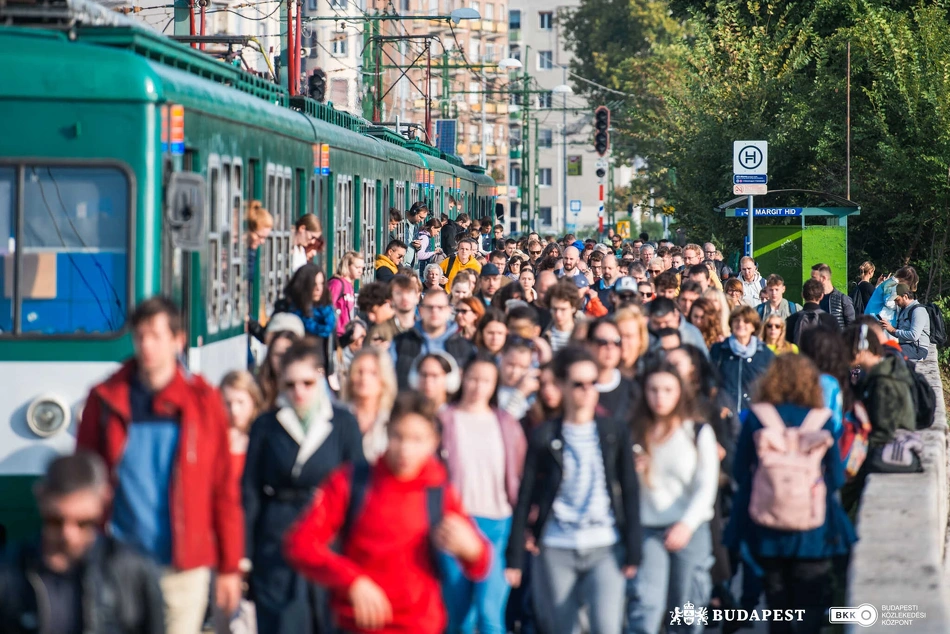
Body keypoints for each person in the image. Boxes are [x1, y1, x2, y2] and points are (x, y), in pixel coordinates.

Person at [76, 297, 243, 633]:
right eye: (140, 336)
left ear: (177, 340)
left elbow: (223, 488)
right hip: (121, 561)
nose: (146, 345)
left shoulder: (203, 401)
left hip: (184, 564)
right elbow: (85, 477)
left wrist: (229, 567)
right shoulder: (106, 398)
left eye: (155, 335)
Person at [284, 391, 491, 634]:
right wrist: (351, 580)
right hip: (358, 624)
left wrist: (473, 550)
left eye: (417, 440)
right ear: (386, 432)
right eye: (398, 436)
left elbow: (481, 564)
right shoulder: (351, 482)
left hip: (419, 625)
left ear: (433, 442)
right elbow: (299, 544)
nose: (405, 449)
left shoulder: (439, 492)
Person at [505, 347, 640, 634]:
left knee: (607, 626)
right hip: (557, 544)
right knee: (563, 628)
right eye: (579, 384)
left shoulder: (614, 431)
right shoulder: (545, 435)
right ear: (563, 387)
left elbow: (629, 489)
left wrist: (634, 549)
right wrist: (515, 556)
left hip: (605, 543)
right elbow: (526, 494)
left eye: (593, 384)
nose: (587, 391)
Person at [725, 355, 856, 634]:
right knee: (809, 603)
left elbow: (740, 471)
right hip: (813, 532)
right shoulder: (821, 421)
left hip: (768, 529)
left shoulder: (759, 418)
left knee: (778, 604)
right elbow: (834, 477)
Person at [242, 341, 365, 634]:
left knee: (329, 620)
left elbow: (358, 489)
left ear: (321, 377)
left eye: (308, 383)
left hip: (328, 537)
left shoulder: (343, 423)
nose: (299, 391)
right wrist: (244, 555)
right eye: (291, 384)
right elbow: (249, 493)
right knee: (282, 621)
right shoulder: (266, 425)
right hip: (277, 537)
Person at [0, 452, 165, 634]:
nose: (68, 535)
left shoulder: (132, 572)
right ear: (40, 498)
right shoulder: (10, 571)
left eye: (84, 523)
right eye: (55, 521)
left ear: (103, 501)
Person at [626, 362, 719, 634]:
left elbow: (706, 486)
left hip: (689, 530)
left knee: (686, 613)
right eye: (653, 390)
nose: (660, 397)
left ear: (680, 392)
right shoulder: (634, 432)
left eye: (668, 390)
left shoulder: (697, 432)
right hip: (648, 530)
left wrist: (686, 525)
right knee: (646, 607)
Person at [439, 354, 527, 634]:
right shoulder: (445, 420)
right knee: (459, 617)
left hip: (498, 524)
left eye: (487, 381)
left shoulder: (506, 423)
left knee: (490, 614)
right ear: (463, 378)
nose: (479, 386)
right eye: (474, 378)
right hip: (456, 523)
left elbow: (520, 475)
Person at [218, 371, 264, 633]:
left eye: (240, 402)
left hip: (250, 536)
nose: (233, 410)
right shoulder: (215, 444)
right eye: (227, 403)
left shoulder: (259, 442)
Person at [392, 289, 476, 389]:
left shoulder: (466, 348)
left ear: (448, 311)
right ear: (421, 311)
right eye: (430, 307)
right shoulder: (400, 342)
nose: (434, 311)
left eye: (440, 307)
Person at [710, 305, 775, 413]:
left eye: (746, 321)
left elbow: (772, 385)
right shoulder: (719, 350)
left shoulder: (765, 354)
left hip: (755, 414)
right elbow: (710, 380)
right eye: (737, 320)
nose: (740, 324)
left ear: (753, 327)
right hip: (726, 413)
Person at [341, 348, 398, 463]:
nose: (364, 378)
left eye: (373, 373)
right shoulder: (338, 417)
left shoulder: (393, 420)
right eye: (359, 372)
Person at [586, 316, 641, 422]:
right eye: (602, 342)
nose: (610, 348)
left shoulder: (632, 390)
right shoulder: (576, 386)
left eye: (616, 342)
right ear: (588, 345)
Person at [278, 264, 337, 343]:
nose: (318, 288)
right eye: (314, 284)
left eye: (321, 283)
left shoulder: (327, 312)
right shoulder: (287, 309)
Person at [880, 283, 931, 360]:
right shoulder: (904, 310)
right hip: (906, 346)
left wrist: (893, 330)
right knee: (880, 349)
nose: (896, 303)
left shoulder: (918, 311)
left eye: (897, 300)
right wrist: (887, 326)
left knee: (888, 354)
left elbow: (914, 335)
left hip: (918, 349)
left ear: (905, 297)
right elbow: (897, 332)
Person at [497, 337, 541, 421]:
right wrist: (520, 393)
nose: (515, 372)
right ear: (501, 358)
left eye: (523, 367)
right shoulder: (491, 389)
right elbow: (504, 423)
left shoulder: (533, 394)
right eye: (511, 364)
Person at [785, 279, 839, 346]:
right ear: (821, 296)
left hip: (799, 356)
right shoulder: (830, 320)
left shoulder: (792, 320)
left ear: (802, 295)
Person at [259, 330, 302, 410]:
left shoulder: (306, 385)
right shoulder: (258, 386)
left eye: (287, 354)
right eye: (278, 354)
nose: (283, 360)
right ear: (270, 356)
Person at [328, 252, 364, 337]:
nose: (360, 271)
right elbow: (328, 306)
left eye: (362, 268)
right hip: (336, 334)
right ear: (347, 266)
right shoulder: (336, 283)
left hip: (345, 333)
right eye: (357, 267)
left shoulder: (349, 285)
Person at [811, 263, 855, 329]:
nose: (811, 281)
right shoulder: (814, 299)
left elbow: (851, 327)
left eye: (813, 278)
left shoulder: (843, 300)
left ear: (823, 278)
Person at [545, 281, 579, 353]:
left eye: (563, 309)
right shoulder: (543, 334)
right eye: (554, 309)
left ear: (573, 308)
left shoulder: (583, 336)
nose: (558, 314)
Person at [616, 306, 649, 379]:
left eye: (629, 336)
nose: (623, 342)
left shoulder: (650, 373)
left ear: (640, 339)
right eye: (619, 335)